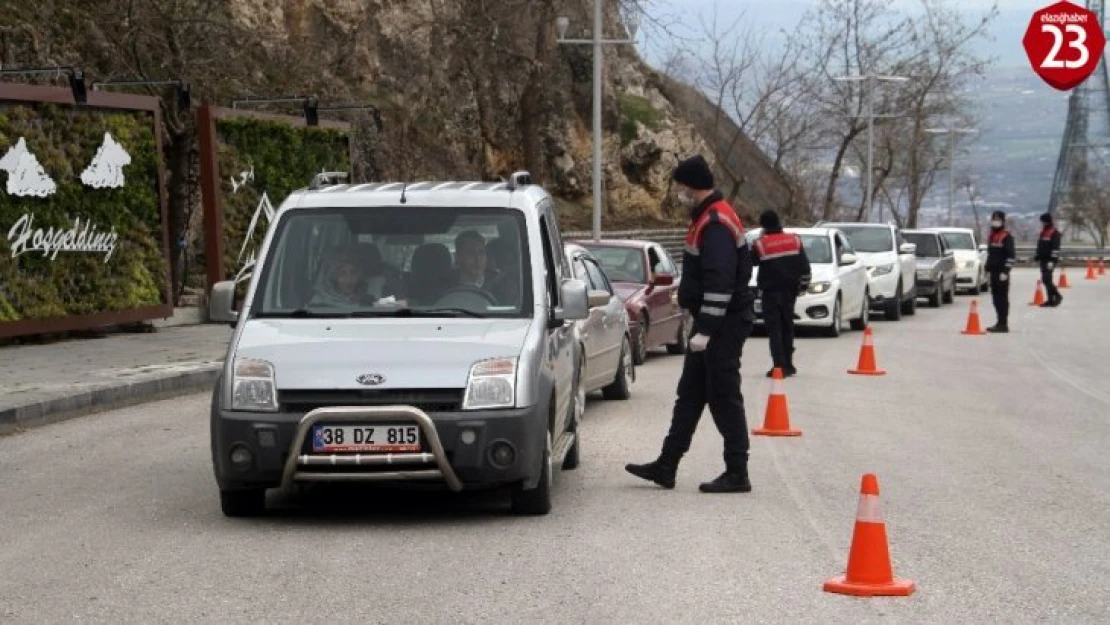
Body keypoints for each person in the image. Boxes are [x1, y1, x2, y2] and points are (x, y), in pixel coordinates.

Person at [625, 154, 756, 494]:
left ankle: (737, 472)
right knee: (690, 394)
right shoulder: (708, 217)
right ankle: (666, 465)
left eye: (681, 187)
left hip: (722, 324)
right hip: (712, 322)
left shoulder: (714, 222)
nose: (678, 193)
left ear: (690, 186)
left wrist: (708, 329)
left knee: (724, 394)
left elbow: (720, 280)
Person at [752, 209, 811, 377]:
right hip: (790, 291)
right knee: (787, 326)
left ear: (763, 225)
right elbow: (805, 267)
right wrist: (803, 287)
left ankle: (779, 365)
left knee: (774, 329)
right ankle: (789, 364)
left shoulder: (761, 244)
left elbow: (751, 262)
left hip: (770, 293)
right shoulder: (794, 240)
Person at [985, 209, 1016, 333]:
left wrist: (1006, 271)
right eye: (994, 219)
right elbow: (991, 254)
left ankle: (1003, 324)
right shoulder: (992, 236)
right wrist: (987, 268)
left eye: (998, 220)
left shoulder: (1006, 237)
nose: (995, 222)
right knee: (995, 299)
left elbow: (1011, 255)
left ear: (1003, 221)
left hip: (1002, 273)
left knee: (1002, 299)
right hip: (993, 272)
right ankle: (999, 322)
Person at [1033, 212, 1062, 307]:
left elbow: (1055, 247)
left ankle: (1057, 295)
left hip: (1050, 260)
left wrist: (1052, 260)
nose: (1041, 223)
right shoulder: (1043, 232)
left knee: (1047, 279)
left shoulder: (1054, 233)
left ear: (1047, 222)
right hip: (1043, 259)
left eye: (1043, 222)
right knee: (1046, 280)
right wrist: (1037, 255)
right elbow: (1040, 245)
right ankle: (1050, 300)